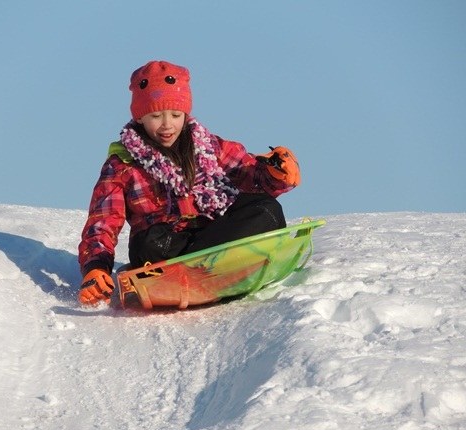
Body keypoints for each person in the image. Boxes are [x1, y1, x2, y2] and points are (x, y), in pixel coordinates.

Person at [78, 60, 300, 306]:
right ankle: (213, 265)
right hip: (165, 248)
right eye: (155, 116)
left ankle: (213, 265)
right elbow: (103, 220)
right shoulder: (123, 164)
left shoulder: (206, 146)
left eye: (175, 115)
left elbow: (249, 174)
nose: (166, 125)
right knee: (148, 244)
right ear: (140, 118)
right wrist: (96, 267)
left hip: (211, 232)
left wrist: (275, 173)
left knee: (267, 209)